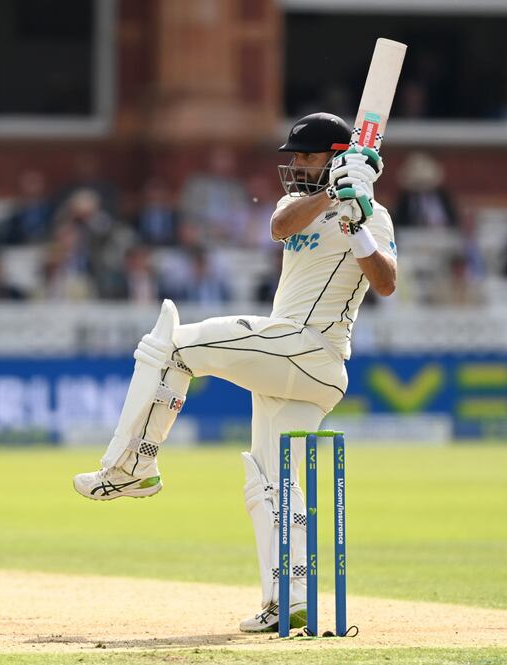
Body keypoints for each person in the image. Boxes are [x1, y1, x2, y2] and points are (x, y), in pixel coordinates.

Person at [72, 112, 398, 633]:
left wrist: (358, 224)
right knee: (269, 483)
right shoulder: (301, 203)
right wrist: (334, 194)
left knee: (172, 345)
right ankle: (287, 601)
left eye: (305, 156)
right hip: (286, 357)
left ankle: (132, 466)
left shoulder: (371, 213)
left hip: (312, 351)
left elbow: (385, 283)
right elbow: (279, 227)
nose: (293, 164)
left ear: (335, 156)